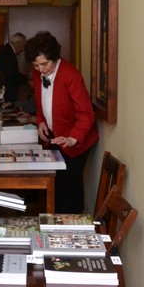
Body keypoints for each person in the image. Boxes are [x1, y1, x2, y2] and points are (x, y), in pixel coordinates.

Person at [24, 31, 98, 213]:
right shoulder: (37, 74)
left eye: (44, 64)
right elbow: (41, 103)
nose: (40, 69)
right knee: (55, 185)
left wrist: (73, 138)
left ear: (55, 57)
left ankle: (71, 226)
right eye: (35, 65)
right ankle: (54, 223)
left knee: (68, 186)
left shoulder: (70, 75)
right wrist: (41, 121)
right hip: (55, 138)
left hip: (76, 140)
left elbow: (86, 114)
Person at [0, 32, 28, 103]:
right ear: (18, 42)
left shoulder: (6, 51)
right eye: (23, 45)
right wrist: (27, 78)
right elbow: (12, 76)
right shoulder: (8, 54)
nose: (22, 49)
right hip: (7, 92)